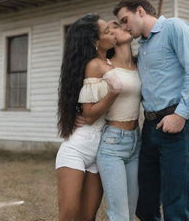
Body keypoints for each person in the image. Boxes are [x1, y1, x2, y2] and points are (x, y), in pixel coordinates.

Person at [113, 0, 189, 221]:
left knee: (175, 204)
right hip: (149, 127)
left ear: (140, 11)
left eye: (125, 20)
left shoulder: (174, 28)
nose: (125, 27)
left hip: (176, 125)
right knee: (144, 203)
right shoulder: (143, 45)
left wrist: (181, 114)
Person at [56, 13, 121, 221]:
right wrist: (112, 93)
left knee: (88, 217)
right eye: (106, 31)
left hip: (101, 150)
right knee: (69, 214)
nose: (111, 32)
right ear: (95, 41)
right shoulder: (92, 65)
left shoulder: (113, 63)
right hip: (76, 149)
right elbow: (89, 114)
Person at [96, 20, 142, 221]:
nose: (122, 27)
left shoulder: (140, 65)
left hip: (136, 140)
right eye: (113, 27)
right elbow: (85, 99)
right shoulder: (104, 67)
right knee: (119, 215)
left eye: (122, 23)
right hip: (112, 142)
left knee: (132, 212)